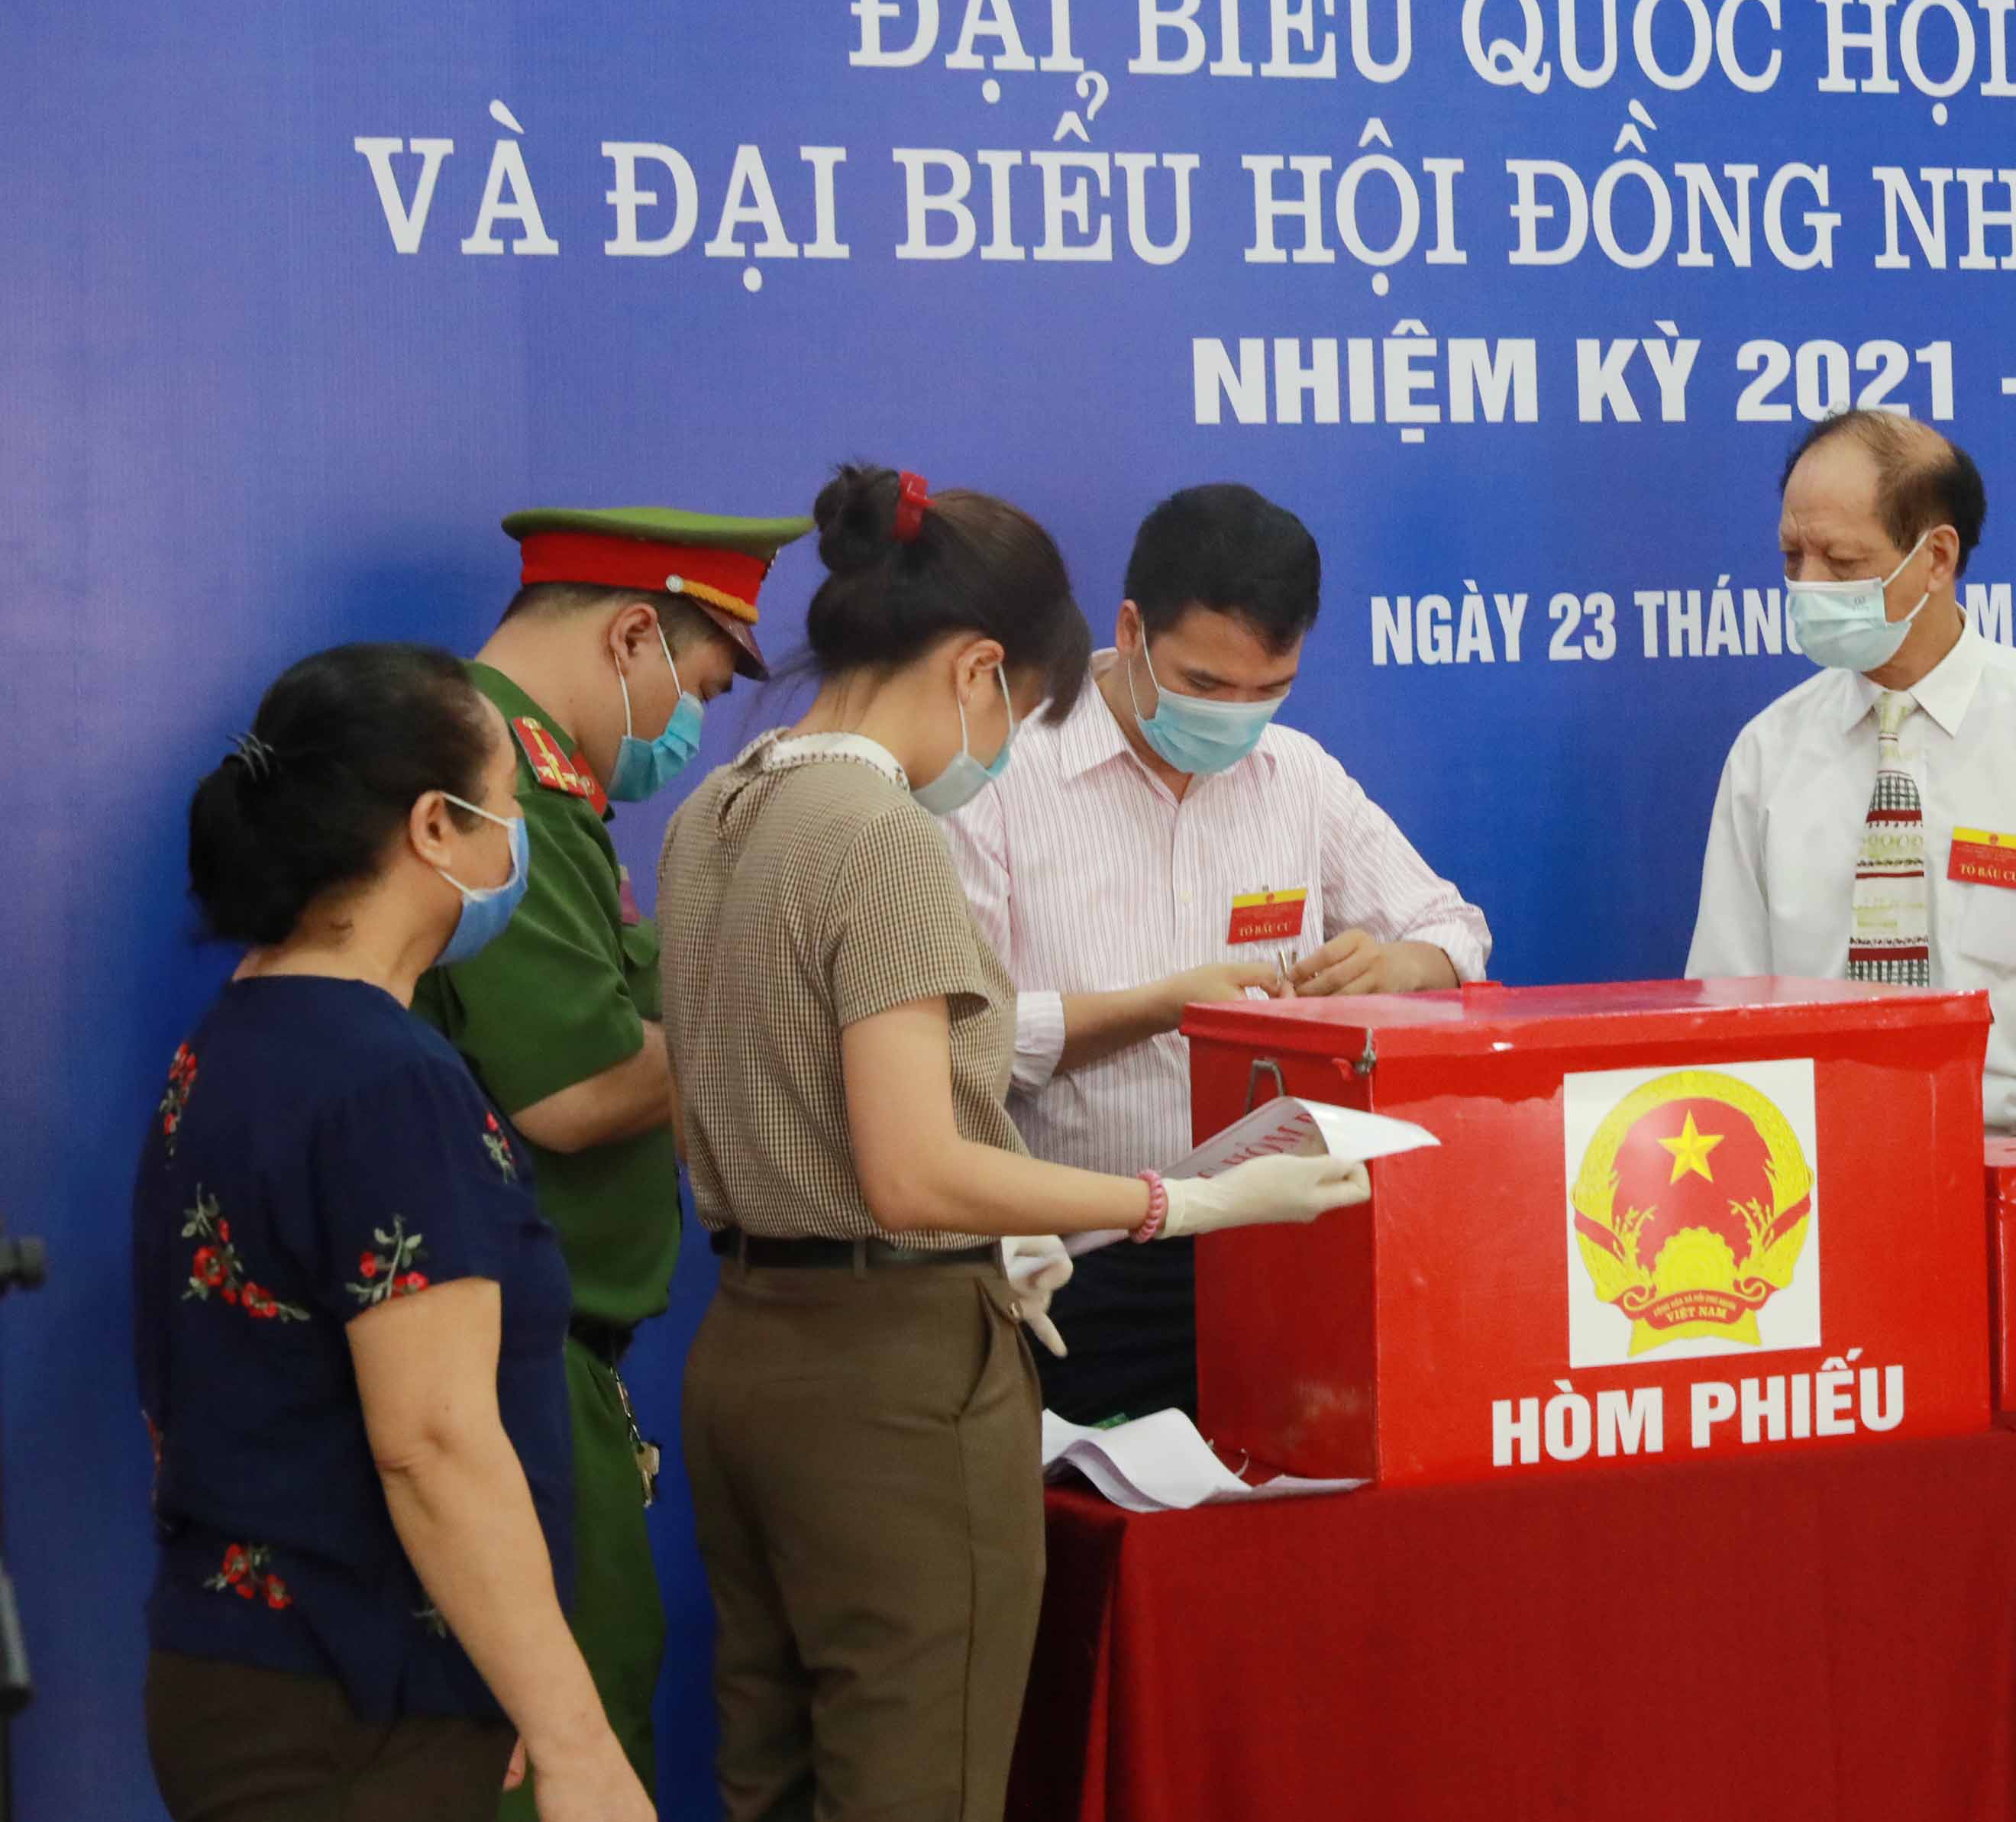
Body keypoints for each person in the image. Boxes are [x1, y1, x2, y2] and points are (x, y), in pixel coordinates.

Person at [658, 464, 1371, 1822]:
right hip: (895, 1376)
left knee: (774, 1779)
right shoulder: (882, 834)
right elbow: (913, 1169)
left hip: (745, 1354)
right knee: (918, 1784)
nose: (1005, 750)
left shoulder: (715, 810)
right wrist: (1183, 1203)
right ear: (980, 670)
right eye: (1025, 709)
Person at [137, 641, 648, 1822]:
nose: (516, 846)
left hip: (246, 1672)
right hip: (353, 1702)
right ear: (435, 828)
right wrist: (574, 1738)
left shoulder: (233, 1039)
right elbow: (433, 1440)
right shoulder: (389, 1083)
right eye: (508, 808)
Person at [413, 502, 806, 1807]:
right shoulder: (495, 781)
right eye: (700, 686)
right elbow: (577, 1090)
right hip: (509, 1357)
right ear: (633, 634)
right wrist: (795, 1021)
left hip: (546, 1353)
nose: (691, 726)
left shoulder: (549, 788)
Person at [946, 481, 1490, 1424]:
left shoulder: (1298, 776)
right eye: (1204, 686)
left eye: (1267, 691)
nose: (1235, 717)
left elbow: (1456, 932)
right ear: (1131, 630)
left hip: (1288, 1246)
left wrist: (1398, 968)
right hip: (1084, 1265)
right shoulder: (1003, 776)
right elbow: (965, 1045)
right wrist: (1161, 1008)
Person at [1687, 410, 2016, 1132]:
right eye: (1791, 557)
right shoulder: (1768, 753)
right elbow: (1724, 1000)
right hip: (1818, 1158)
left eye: (1840, 561)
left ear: (1937, 557)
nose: (1807, 585)